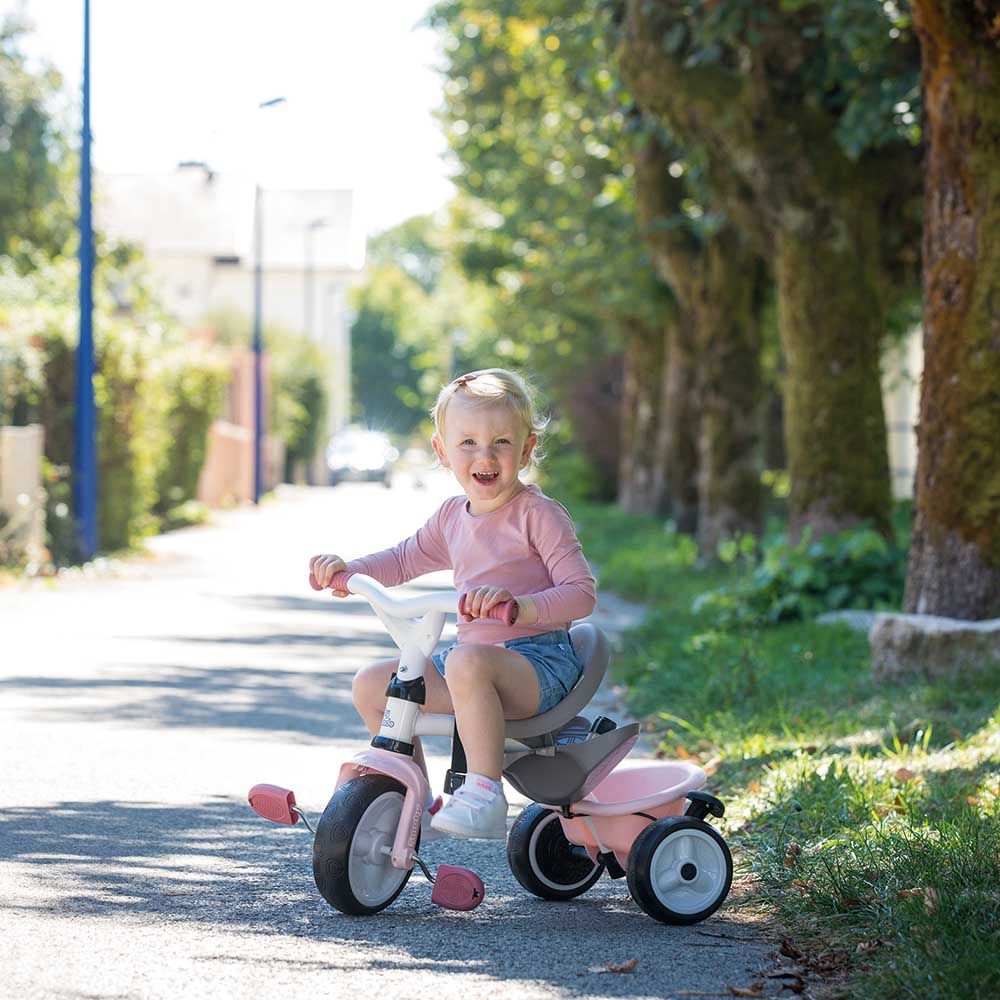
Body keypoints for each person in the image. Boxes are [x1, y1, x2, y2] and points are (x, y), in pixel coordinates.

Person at [308, 368, 596, 840]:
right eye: (468, 443)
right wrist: (349, 570)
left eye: (501, 442)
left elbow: (581, 593)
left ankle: (484, 793)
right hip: (472, 666)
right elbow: (403, 558)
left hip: (539, 664)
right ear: (443, 451)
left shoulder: (537, 515)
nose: (485, 455)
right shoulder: (451, 518)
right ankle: (410, 797)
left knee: (464, 661)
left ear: (525, 449)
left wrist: (520, 607)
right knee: (373, 684)